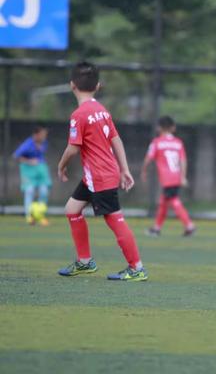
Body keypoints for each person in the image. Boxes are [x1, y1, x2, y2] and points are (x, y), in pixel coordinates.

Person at [57, 61, 147, 281]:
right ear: (97, 86)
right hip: (99, 174)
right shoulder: (101, 110)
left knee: (114, 219)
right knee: (72, 209)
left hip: (99, 176)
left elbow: (73, 148)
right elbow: (115, 138)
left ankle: (136, 268)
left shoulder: (79, 115)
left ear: (72, 85)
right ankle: (85, 262)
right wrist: (124, 169)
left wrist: (61, 165)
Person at [142, 116, 196, 237]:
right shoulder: (178, 143)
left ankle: (189, 225)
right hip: (176, 176)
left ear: (159, 128)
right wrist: (183, 176)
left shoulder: (157, 142)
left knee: (173, 200)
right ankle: (156, 228)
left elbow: (148, 158)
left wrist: (144, 171)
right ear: (173, 128)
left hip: (167, 179)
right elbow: (183, 160)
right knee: (163, 202)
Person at [13, 125, 51, 226]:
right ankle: (29, 216)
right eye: (43, 134)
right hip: (28, 171)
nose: (44, 136)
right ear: (36, 135)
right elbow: (16, 156)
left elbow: (40, 155)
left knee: (44, 192)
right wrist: (29, 161)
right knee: (29, 191)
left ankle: (41, 216)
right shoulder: (27, 144)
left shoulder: (44, 143)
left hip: (41, 171)